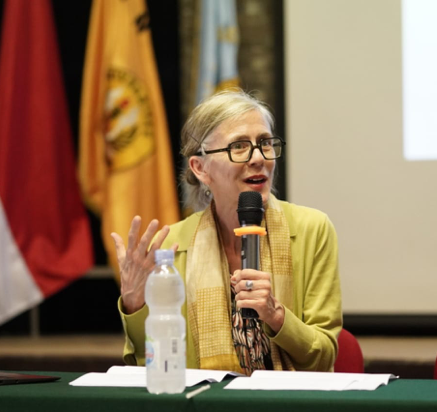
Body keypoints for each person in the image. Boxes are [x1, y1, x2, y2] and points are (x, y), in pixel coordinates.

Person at [114, 90, 342, 374]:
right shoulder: (169, 247)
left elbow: (325, 358)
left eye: (265, 143)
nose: (259, 158)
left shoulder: (312, 230)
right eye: (239, 147)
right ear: (200, 168)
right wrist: (135, 305)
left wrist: (276, 315)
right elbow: (150, 368)